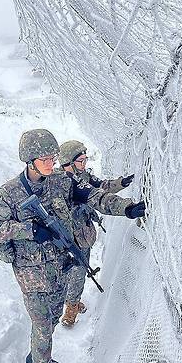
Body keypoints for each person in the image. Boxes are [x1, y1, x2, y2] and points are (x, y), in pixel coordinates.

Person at [0, 129, 145, 363]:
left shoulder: (61, 182)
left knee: (54, 317)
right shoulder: (8, 194)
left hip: (59, 267)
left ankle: (37, 355)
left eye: (53, 157)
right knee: (43, 325)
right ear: (29, 160)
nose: (51, 163)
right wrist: (29, 230)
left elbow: (93, 196)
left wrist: (126, 208)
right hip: (31, 274)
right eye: (45, 158)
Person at [56, 140, 136, 327]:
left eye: (85, 160)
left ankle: (72, 302)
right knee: (72, 272)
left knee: (79, 270)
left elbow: (101, 188)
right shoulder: (57, 182)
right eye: (80, 161)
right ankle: (70, 306)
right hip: (63, 237)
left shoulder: (83, 177)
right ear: (68, 162)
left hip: (82, 235)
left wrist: (121, 183)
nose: (84, 165)